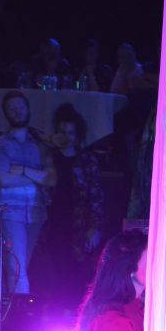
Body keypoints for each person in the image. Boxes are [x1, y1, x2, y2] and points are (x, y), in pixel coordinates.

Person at [36, 105, 105, 308]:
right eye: (63, 132)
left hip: (79, 225)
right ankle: (57, 319)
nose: (68, 137)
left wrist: (95, 227)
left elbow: (96, 196)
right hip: (54, 222)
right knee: (55, 271)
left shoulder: (86, 159)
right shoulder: (48, 157)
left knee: (78, 273)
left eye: (72, 132)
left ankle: (75, 318)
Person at [0, 92, 56, 296]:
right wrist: (38, 176)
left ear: (28, 109)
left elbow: (52, 179)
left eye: (21, 107)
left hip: (37, 210)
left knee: (19, 267)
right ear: (6, 113)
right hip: (11, 210)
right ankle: (20, 319)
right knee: (16, 267)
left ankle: (6, 311)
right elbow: (3, 180)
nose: (17, 112)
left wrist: (22, 170)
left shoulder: (40, 143)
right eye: (12, 108)